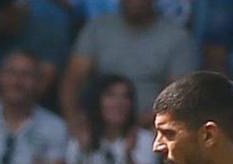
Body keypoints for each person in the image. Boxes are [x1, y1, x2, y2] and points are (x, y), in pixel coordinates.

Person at [60, 0, 196, 130]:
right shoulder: (97, 29)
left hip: (150, 130)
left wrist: (135, 128)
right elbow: (72, 81)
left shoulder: (178, 39)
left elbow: (176, 99)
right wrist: (75, 121)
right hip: (97, 128)